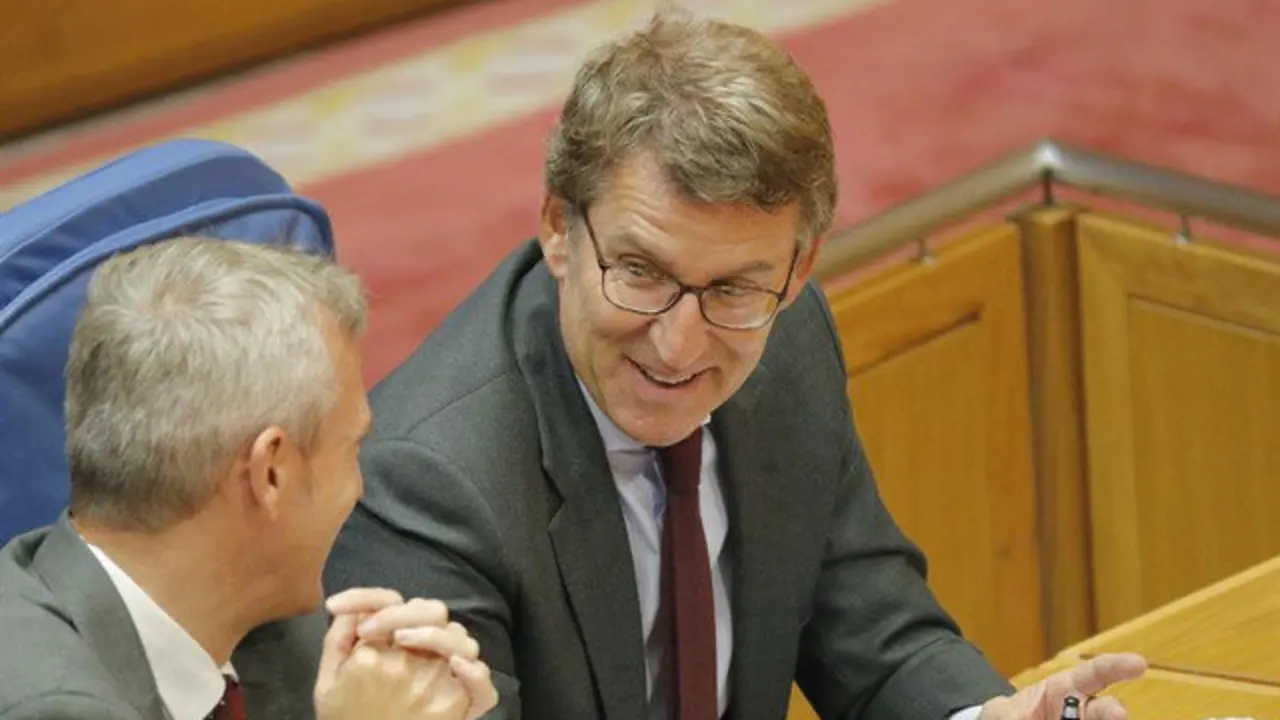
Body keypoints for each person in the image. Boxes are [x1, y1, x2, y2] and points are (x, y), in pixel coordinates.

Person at [323, 10, 1145, 720]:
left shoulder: (785, 340)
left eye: (735, 289)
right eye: (639, 273)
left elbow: (878, 640)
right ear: (557, 228)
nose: (679, 347)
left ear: (800, 267)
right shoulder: (431, 485)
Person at [0, 237, 499, 720]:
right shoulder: (48, 703)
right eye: (352, 449)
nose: (362, 487)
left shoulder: (261, 623)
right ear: (271, 474)